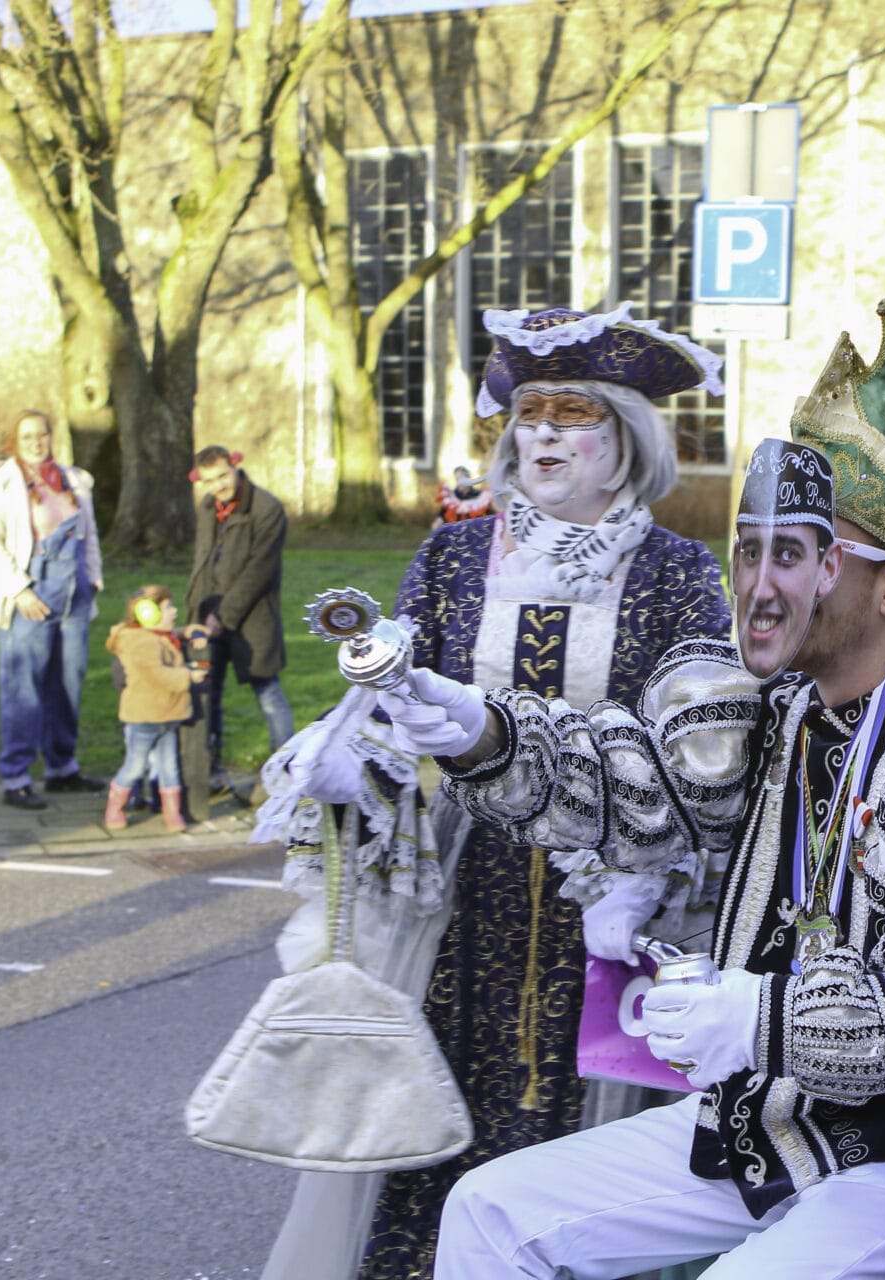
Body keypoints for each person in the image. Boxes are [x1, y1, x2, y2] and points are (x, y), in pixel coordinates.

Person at [384, 303, 885, 1279]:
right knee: (489, 1209)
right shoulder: (767, 711)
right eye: (750, 548)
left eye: (796, 555)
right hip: (753, 1128)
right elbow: (635, 786)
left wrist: (763, 1017)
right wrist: (480, 730)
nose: (757, 583)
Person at [252, 302, 735, 1280]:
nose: (543, 433)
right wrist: (352, 764)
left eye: (572, 413)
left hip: (606, 899)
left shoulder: (679, 570)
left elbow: (707, 752)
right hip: (465, 895)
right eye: (530, 413)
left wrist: (644, 877)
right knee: (441, 1105)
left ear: (626, 437)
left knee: (583, 1132)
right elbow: (391, 703)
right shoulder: (454, 555)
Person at [0, 410, 106, 810]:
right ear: (15, 440)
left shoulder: (73, 480)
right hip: (29, 596)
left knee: (67, 684)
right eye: (27, 436)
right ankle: (16, 776)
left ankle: (62, 769)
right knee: (23, 689)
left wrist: (93, 580)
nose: (35, 442)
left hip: (74, 596)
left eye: (41, 434)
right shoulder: (0, 483)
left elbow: (90, 535)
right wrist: (20, 590)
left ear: (51, 436)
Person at [186, 446, 294, 795]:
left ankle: (286, 772)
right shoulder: (208, 508)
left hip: (252, 617)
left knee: (268, 692)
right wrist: (198, 613)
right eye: (209, 481)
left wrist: (224, 615)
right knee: (208, 694)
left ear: (235, 467)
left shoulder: (266, 508)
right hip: (209, 616)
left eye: (223, 476)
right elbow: (204, 562)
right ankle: (210, 772)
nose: (218, 486)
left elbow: (258, 570)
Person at [103, 585, 203, 832]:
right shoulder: (140, 643)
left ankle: (172, 812)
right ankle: (115, 807)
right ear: (149, 614)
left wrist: (189, 631)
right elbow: (156, 674)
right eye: (168, 608)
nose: (174, 611)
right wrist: (188, 676)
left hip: (167, 715)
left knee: (169, 767)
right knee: (135, 766)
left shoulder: (155, 636)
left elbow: (167, 635)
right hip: (145, 717)